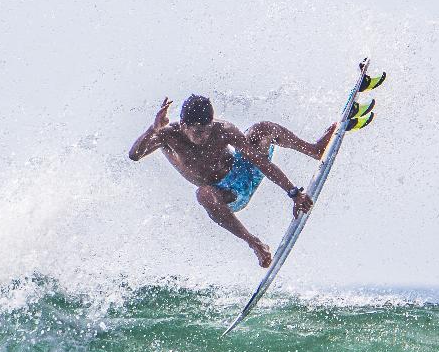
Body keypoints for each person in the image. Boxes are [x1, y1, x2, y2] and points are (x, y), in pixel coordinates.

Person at [129, 94, 336, 268]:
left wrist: (293, 193)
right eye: (197, 132)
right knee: (203, 193)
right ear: (183, 126)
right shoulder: (167, 136)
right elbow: (135, 155)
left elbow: (260, 162)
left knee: (261, 128)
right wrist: (152, 129)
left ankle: (314, 150)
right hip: (227, 195)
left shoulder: (223, 130)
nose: (203, 136)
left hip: (246, 172)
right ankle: (254, 243)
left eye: (207, 129)